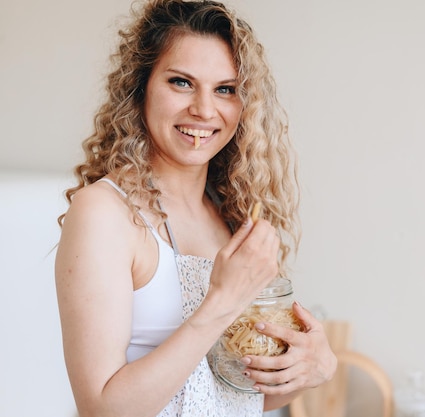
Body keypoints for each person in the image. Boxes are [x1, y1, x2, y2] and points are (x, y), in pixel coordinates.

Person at [54, 1, 337, 416]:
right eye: (182, 82)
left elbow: (229, 394)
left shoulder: (233, 215)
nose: (204, 110)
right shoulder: (105, 213)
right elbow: (102, 409)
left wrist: (313, 368)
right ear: (141, 86)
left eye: (225, 89)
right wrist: (223, 300)